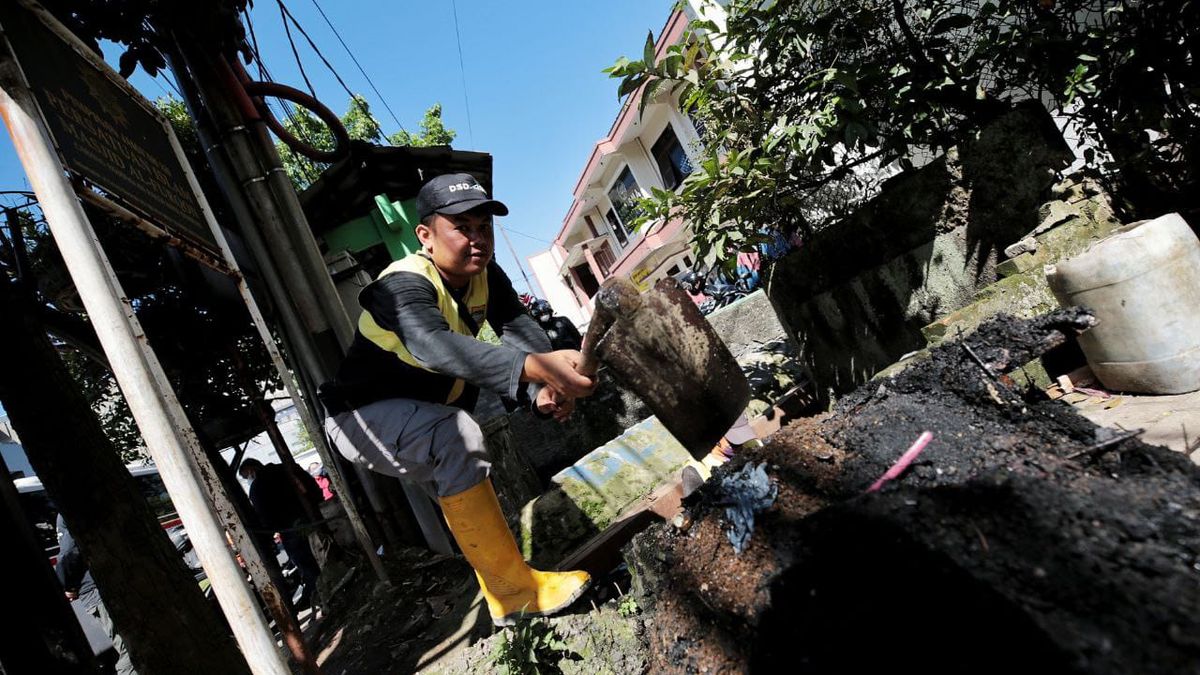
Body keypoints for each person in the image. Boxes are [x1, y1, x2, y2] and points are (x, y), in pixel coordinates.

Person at [320, 172, 597, 626]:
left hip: (423, 415)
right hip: (359, 420)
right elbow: (433, 345)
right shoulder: (402, 284)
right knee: (456, 436)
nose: (477, 239)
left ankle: (506, 597)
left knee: (463, 473)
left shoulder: (486, 276)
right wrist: (536, 370)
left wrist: (545, 387)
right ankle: (515, 591)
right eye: (462, 227)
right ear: (425, 236)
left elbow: (518, 328)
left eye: (484, 227)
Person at [238, 458, 323, 610]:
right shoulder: (287, 468)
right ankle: (320, 589)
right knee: (322, 552)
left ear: (252, 470)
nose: (248, 480)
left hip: (290, 530)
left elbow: (264, 515)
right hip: (312, 517)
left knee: (306, 563)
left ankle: (320, 592)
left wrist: (268, 535)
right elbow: (312, 487)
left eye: (246, 477)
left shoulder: (258, 486)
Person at [56, 515, 136, 674]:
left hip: (96, 592)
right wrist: (68, 585)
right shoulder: (69, 509)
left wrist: (68, 585)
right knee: (129, 648)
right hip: (97, 591)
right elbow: (69, 552)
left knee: (129, 646)